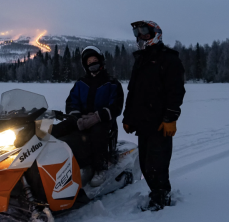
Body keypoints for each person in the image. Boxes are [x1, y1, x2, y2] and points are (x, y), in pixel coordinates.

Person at [123, 21, 185, 211]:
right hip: (143, 122)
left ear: (155, 34)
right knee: (145, 164)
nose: (140, 36)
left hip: (160, 123)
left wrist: (170, 118)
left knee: (157, 164)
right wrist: (128, 117)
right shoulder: (140, 60)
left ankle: (161, 197)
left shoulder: (169, 59)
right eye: (137, 32)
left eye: (144, 32)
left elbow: (176, 91)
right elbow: (133, 91)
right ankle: (155, 193)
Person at [52, 46, 124, 187]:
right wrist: (77, 117)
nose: (92, 63)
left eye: (95, 60)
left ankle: (100, 168)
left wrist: (97, 116)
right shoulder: (81, 83)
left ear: (101, 61)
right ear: (85, 65)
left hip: (103, 121)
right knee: (57, 130)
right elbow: (72, 101)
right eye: (89, 61)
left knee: (97, 133)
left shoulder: (112, 83)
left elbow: (116, 106)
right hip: (80, 119)